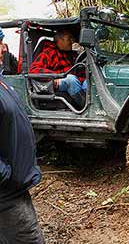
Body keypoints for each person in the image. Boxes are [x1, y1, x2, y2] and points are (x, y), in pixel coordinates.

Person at [0, 75, 44, 243]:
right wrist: (5, 175)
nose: (4, 48)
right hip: (6, 194)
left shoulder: (2, 80)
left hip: (15, 186)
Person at [29, 29, 87, 105]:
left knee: (88, 82)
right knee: (71, 80)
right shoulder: (48, 53)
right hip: (52, 83)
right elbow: (33, 70)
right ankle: (84, 106)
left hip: (72, 79)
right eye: (69, 38)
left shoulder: (71, 54)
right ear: (60, 40)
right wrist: (54, 77)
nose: (72, 41)